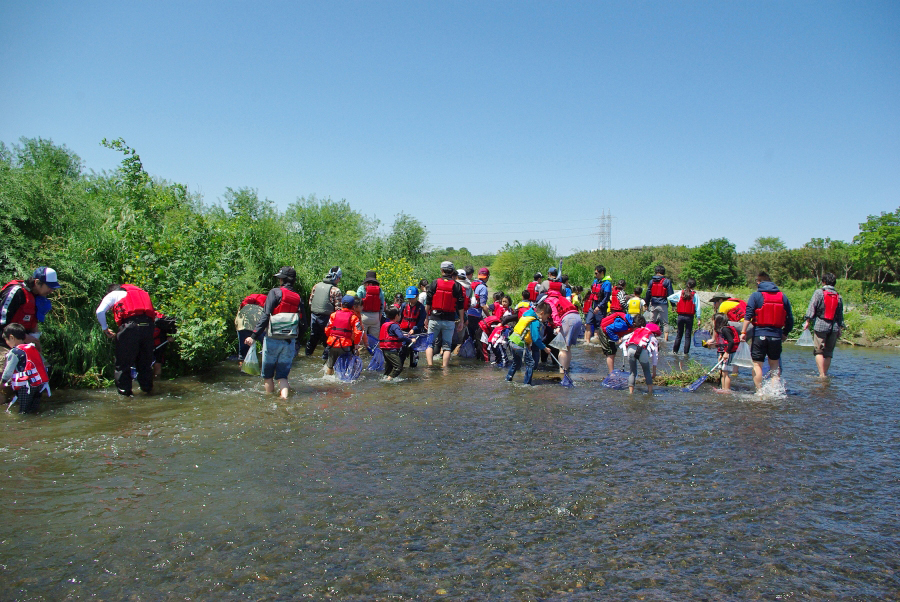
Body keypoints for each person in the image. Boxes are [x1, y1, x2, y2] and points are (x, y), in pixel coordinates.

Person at [243, 267, 303, 399]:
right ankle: (284, 401)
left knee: (268, 375)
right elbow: (301, 321)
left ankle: (269, 401)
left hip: (272, 339)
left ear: (283, 279)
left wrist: (253, 336)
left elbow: (265, 316)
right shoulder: (298, 297)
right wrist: (297, 343)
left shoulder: (275, 293)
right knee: (282, 377)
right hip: (289, 341)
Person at [96, 283, 156, 396]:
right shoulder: (141, 293)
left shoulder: (113, 294)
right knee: (145, 363)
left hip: (130, 327)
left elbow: (100, 311)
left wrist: (105, 328)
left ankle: (125, 395)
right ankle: (148, 391)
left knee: (123, 364)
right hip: (148, 327)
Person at [741, 271, 794, 390]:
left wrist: (743, 332)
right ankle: (775, 392)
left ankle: (760, 391)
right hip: (776, 335)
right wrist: (785, 333)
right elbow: (790, 318)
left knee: (757, 364)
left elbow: (748, 315)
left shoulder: (756, 296)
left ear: (759, 282)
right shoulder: (783, 296)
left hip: (759, 334)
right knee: (774, 366)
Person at [0, 267, 61, 355]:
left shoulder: (37, 296)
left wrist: (36, 341)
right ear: (37, 282)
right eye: (49, 286)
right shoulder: (16, 292)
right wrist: (24, 337)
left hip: (21, 346)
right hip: (4, 344)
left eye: (53, 288)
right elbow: (2, 321)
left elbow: (33, 322)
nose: (51, 291)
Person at [424, 262, 466, 368]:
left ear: (442, 270)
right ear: (452, 272)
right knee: (447, 346)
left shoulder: (434, 283)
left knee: (430, 344)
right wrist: (461, 320)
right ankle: (445, 368)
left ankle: (430, 366)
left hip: (434, 318)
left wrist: (425, 318)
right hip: (449, 320)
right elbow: (460, 306)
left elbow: (428, 302)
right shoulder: (457, 285)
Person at [1, 323, 50, 413]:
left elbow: (8, 371)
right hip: (39, 384)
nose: (6, 343)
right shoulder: (32, 348)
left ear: (11, 337)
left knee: (23, 411)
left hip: (25, 386)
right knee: (35, 409)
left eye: (6, 340)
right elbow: (44, 365)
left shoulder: (14, 352)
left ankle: (26, 425)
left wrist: (3, 382)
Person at [803, 273, 844, 378]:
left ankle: (821, 375)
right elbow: (840, 314)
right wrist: (839, 327)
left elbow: (812, 307)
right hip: (834, 326)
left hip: (821, 324)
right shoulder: (838, 296)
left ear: (823, 282)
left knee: (819, 350)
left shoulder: (819, 293)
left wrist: (807, 321)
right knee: (829, 353)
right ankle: (825, 374)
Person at [506, 302, 551, 385]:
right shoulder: (535, 321)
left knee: (517, 362)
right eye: (547, 316)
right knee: (531, 363)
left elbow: (525, 332)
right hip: (519, 343)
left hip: (512, 341)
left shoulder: (528, 314)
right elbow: (536, 338)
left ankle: (508, 379)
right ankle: (527, 385)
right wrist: (544, 348)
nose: (546, 319)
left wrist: (527, 345)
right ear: (542, 313)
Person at [543, 288, 584, 375]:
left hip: (567, 319)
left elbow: (554, 312)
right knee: (567, 348)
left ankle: (562, 373)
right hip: (577, 317)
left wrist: (557, 325)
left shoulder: (549, 299)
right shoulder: (561, 298)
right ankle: (566, 371)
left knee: (562, 349)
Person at [306, 267, 343, 358]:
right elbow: (338, 309)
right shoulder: (336, 290)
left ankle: (307, 355)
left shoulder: (316, 286)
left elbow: (310, 302)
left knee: (313, 338)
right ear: (337, 278)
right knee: (329, 340)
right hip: (328, 318)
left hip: (314, 315)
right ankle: (325, 360)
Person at [323, 295, 365, 375]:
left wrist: (331, 337)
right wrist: (356, 344)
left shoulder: (333, 315)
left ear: (341, 305)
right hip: (345, 345)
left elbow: (327, 329)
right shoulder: (354, 317)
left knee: (330, 365)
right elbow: (358, 332)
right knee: (345, 367)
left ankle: (328, 380)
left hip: (332, 344)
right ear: (352, 306)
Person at [621, 315, 657, 395]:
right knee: (646, 371)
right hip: (642, 350)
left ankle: (631, 393)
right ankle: (650, 392)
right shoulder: (649, 333)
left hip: (630, 349)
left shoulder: (633, 333)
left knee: (632, 372)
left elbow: (623, 339)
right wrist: (654, 371)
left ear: (634, 324)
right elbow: (655, 353)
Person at [379, 307, 414, 380]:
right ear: (396, 316)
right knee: (398, 367)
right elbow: (400, 337)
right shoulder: (395, 325)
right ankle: (388, 380)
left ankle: (385, 380)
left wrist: (404, 335)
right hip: (391, 350)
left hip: (385, 349)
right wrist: (411, 340)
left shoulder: (386, 324)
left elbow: (392, 334)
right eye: (400, 315)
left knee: (389, 367)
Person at [669, 278, 700, 355]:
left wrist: (677, 301)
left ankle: (674, 352)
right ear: (694, 286)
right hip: (689, 317)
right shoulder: (695, 295)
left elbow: (669, 298)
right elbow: (698, 307)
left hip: (680, 316)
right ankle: (686, 353)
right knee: (688, 335)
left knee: (679, 334)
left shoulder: (680, 293)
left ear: (687, 284)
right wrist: (699, 318)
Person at [235, 293, 267, 364]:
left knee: (243, 352)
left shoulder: (244, 304)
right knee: (267, 348)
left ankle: (242, 367)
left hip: (243, 323)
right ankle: (268, 369)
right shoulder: (266, 302)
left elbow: (237, 319)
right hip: (259, 322)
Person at [583, 265, 612, 343]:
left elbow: (606, 297)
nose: (595, 275)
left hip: (600, 307)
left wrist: (599, 307)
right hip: (592, 306)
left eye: (596, 273)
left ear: (602, 273)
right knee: (587, 323)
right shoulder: (595, 281)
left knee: (598, 326)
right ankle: (587, 343)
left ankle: (597, 344)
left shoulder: (607, 283)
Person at [399, 286, 426, 367]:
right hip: (404, 332)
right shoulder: (404, 306)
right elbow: (399, 318)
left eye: (412, 298)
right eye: (409, 298)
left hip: (415, 333)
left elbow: (421, 322)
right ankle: (400, 367)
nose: (410, 300)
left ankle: (413, 369)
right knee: (402, 350)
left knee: (414, 352)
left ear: (417, 296)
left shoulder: (421, 307)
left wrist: (414, 329)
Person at [712, 312, 740, 392]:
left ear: (717, 321)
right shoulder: (720, 330)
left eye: (713, 320)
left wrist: (727, 353)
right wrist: (721, 354)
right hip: (723, 353)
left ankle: (726, 390)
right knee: (722, 372)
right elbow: (722, 344)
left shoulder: (725, 329)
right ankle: (722, 389)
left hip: (728, 353)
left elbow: (731, 342)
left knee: (725, 372)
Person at [645, 265, 674, 341]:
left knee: (651, 321)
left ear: (656, 272)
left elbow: (648, 293)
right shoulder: (667, 281)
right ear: (663, 272)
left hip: (653, 303)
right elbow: (671, 295)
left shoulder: (651, 281)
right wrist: (673, 305)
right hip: (663, 304)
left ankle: (649, 338)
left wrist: (646, 304)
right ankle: (666, 339)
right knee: (665, 323)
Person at [467, 267, 490, 361]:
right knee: (479, 339)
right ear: (487, 277)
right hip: (476, 316)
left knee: (469, 337)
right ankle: (479, 359)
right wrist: (489, 317)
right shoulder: (483, 287)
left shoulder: (471, 284)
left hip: (467, 314)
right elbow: (483, 305)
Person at [357, 271, 385, 340]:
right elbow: (382, 305)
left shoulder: (362, 288)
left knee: (362, 339)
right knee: (375, 339)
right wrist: (379, 318)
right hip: (375, 317)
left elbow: (357, 302)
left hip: (364, 316)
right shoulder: (379, 290)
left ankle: (362, 350)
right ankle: (375, 350)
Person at [151, 311, 176, 378]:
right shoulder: (137, 319)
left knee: (157, 363)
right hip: (145, 345)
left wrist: (172, 336)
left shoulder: (159, 319)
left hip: (159, 345)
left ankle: (157, 379)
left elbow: (173, 324)